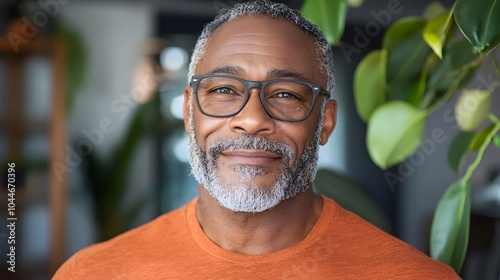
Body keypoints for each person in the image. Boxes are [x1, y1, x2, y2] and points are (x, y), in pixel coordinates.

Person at [54, 0, 460, 279]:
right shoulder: (92, 273)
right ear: (189, 111)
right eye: (224, 90)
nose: (251, 119)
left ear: (325, 123)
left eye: (285, 94)